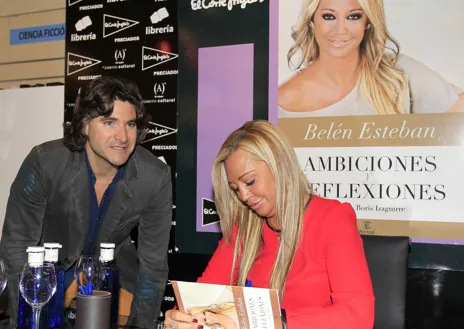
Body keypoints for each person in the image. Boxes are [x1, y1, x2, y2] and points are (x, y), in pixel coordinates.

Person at [164, 120, 374, 329]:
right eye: (235, 188)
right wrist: (182, 317)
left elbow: (357, 317)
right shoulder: (245, 227)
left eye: (250, 181)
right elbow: (204, 294)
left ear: (279, 165)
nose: (244, 196)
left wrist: (273, 323)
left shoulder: (332, 219)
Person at [0, 76, 173, 328]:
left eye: (131, 124)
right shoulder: (44, 163)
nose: (123, 136)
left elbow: (154, 266)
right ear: (84, 126)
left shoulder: (154, 177)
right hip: (47, 278)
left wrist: (142, 325)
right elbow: (16, 248)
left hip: (112, 281)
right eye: (109, 122)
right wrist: (27, 320)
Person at [278, 0, 464, 117]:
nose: (340, 30)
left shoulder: (398, 73)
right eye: (329, 16)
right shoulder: (282, 101)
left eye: (353, 16)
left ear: (367, 22)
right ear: (312, 20)